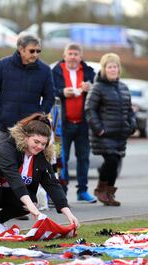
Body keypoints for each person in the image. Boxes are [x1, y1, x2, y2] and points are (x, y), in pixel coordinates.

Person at [0, 113, 79, 236]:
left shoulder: (41, 157)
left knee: (31, 202)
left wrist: (69, 214)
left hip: (7, 190)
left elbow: (52, 184)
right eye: (36, 141)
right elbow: (14, 177)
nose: (39, 147)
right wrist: (35, 212)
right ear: (26, 137)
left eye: (43, 144)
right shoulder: (8, 148)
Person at [85, 53, 136, 206]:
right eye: (109, 67)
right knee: (112, 159)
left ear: (118, 69)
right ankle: (101, 190)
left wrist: (131, 126)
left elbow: (130, 110)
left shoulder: (123, 87)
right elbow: (89, 109)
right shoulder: (98, 87)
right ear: (104, 69)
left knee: (116, 161)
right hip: (104, 134)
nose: (113, 69)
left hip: (120, 134)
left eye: (115, 67)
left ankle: (109, 193)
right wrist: (99, 129)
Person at [0, 33, 55, 145]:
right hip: (4, 127)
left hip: (30, 130)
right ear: (21, 49)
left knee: (25, 162)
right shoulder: (3, 65)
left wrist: (38, 116)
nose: (36, 54)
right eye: (32, 51)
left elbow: (50, 97)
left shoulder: (45, 70)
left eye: (38, 51)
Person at [52, 43, 97, 203]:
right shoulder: (55, 71)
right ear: (64, 55)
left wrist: (90, 87)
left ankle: (82, 191)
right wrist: (62, 92)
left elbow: (98, 91)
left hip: (84, 123)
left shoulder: (89, 71)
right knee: (61, 158)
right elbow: (49, 92)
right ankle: (61, 192)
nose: (72, 57)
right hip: (62, 124)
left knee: (83, 158)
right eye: (70, 54)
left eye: (75, 54)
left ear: (80, 57)